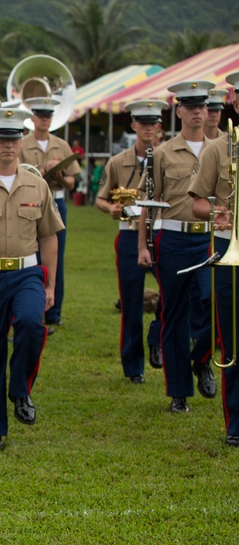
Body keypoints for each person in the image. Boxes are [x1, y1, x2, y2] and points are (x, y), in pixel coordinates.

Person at [0, 107, 64, 450]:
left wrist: (50, 285)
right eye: (1, 138)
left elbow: (49, 236)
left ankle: (20, 389)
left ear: (21, 141)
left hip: (27, 272)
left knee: (33, 324)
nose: (8, 145)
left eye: (13, 138)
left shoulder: (37, 184)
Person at [138, 80, 216, 414]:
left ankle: (201, 358)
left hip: (213, 238)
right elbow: (148, 202)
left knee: (214, 302)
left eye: (203, 106)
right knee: (175, 314)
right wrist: (142, 244)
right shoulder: (164, 152)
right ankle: (178, 391)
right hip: (173, 238)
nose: (198, 112)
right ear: (179, 110)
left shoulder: (222, 148)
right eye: (191, 106)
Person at [95, 99, 168, 384]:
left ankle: (157, 336)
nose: (148, 128)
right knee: (131, 302)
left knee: (175, 294)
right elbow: (101, 197)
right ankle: (133, 366)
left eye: (153, 123)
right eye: (143, 122)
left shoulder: (169, 158)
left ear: (160, 127)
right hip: (127, 235)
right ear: (134, 125)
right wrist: (109, 209)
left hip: (162, 232)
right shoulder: (116, 162)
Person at [189, 70, 239, 445]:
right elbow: (198, 202)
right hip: (228, 246)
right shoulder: (218, 148)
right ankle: (236, 423)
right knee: (234, 339)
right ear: (233, 100)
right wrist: (215, 213)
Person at [19, 97, 81, 329]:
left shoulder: (61, 144)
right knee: (30, 256)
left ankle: (54, 311)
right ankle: (33, 306)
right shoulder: (22, 143)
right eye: (40, 115)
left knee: (55, 257)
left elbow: (72, 182)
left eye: (48, 116)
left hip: (56, 202)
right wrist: (43, 171)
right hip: (29, 204)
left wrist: (60, 177)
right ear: (32, 117)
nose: (44, 120)